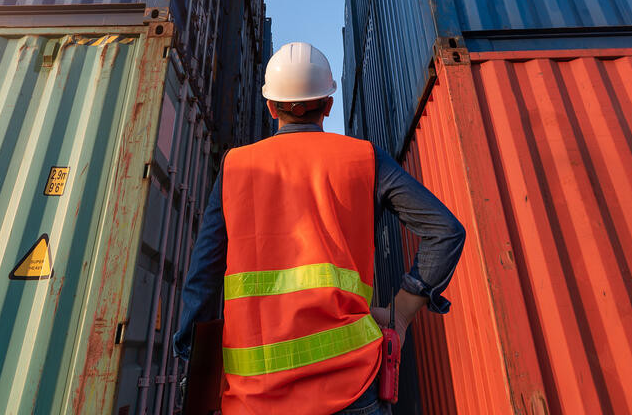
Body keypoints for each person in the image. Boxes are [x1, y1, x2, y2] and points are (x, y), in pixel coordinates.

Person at [174, 42, 465, 414]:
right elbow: (445, 230)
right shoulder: (363, 159)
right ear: (328, 106)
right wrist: (402, 312)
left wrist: (190, 355)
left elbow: (202, 276)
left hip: (253, 398)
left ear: (270, 106)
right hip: (350, 387)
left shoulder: (236, 167)